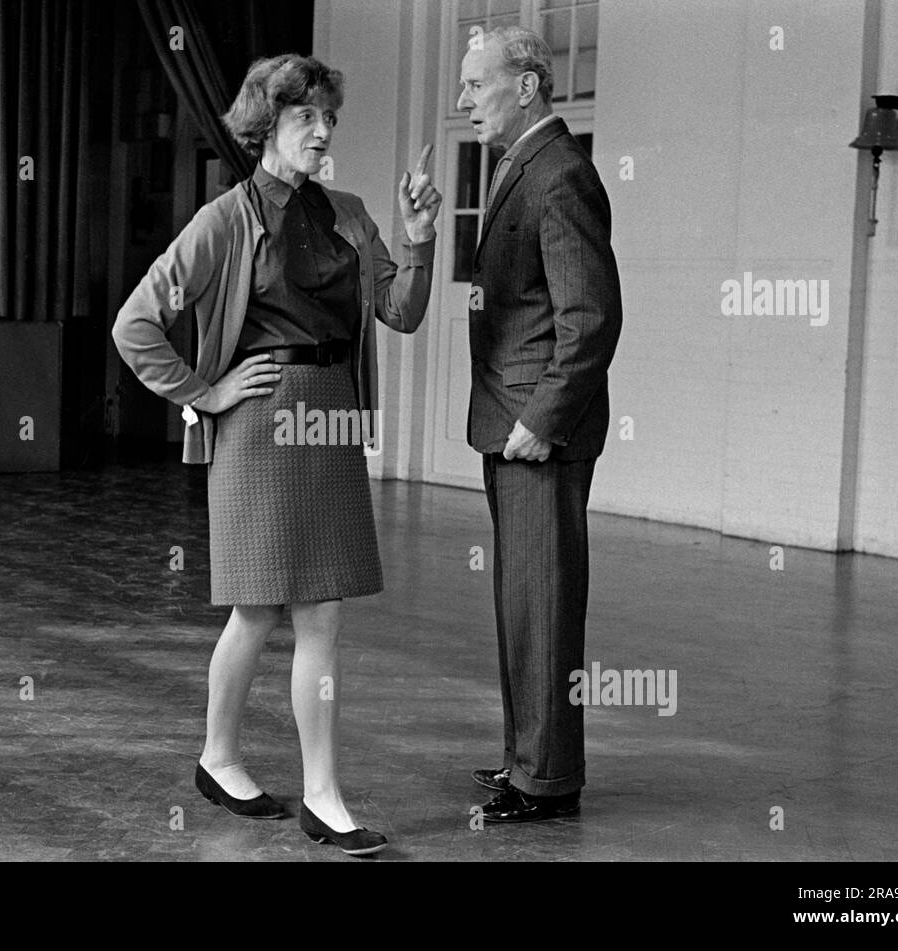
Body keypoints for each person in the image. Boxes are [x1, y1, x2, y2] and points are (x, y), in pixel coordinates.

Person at [113, 54, 441, 856]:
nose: (323, 131)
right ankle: (219, 756)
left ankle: (321, 792)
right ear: (267, 125)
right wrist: (204, 391)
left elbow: (399, 310)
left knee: (320, 610)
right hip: (259, 422)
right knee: (258, 608)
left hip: (330, 418)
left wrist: (421, 238)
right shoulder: (225, 220)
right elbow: (134, 324)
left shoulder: (352, 213)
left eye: (329, 117)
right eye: (306, 118)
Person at [458, 26, 622, 822]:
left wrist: (543, 419)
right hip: (511, 423)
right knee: (522, 603)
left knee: (544, 604)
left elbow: (589, 317)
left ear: (525, 87)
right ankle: (530, 758)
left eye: (475, 86)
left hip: (536, 432)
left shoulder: (560, 175)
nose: (464, 102)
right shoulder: (521, 167)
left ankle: (548, 781)